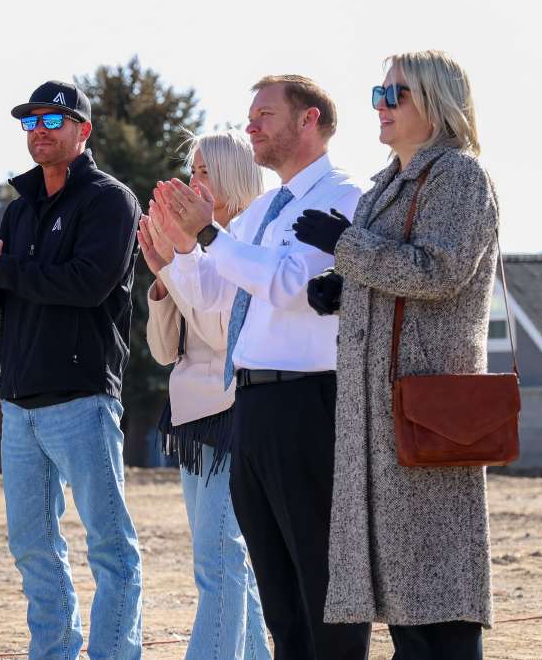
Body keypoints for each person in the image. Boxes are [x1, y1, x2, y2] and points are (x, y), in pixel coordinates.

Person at [153, 75, 369, 659]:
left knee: (321, 581)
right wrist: (177, 248)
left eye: (265, 115)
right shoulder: (268, 210)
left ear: (309, 120)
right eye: (251, 116)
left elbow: (291, 285)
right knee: (279, 594)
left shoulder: (342, 196)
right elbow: (211, 293)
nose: (250, 126)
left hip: (308, 402)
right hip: (251, 405)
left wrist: (207, 234)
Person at [292, 50, 497, 659]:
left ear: (436, 103)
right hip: (378, 418)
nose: (379, 106)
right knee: (407, 609)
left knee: (441, 604)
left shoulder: (458, 176)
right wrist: (343, 288)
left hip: (427, 414)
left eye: (394, 95)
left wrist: (346, 247)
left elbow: (441, 271)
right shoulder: (386, 184)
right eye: (377, 94)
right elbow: (391, 272)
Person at [0, 80, 143, 660]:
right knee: (32, 548)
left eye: (54, 120)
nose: (40, 131)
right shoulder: (20, 208)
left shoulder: (109, 200)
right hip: (20, 403)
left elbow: (87, 284)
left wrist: (1, 270)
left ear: (84, 130)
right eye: (31, 122)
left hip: (83, 398)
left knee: (110, 548)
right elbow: (2, 300)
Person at [140, 130, 271, 660]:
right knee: (226, 559)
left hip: (233, 413)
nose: (192, 182)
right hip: (191, 415)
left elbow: (223, 338)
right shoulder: (191, 248)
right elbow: (162, 350)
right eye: (191, 171)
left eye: (204, 172)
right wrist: (163, 277)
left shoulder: (247, 240)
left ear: (233, 176)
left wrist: (178, 263)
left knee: (218, 560)